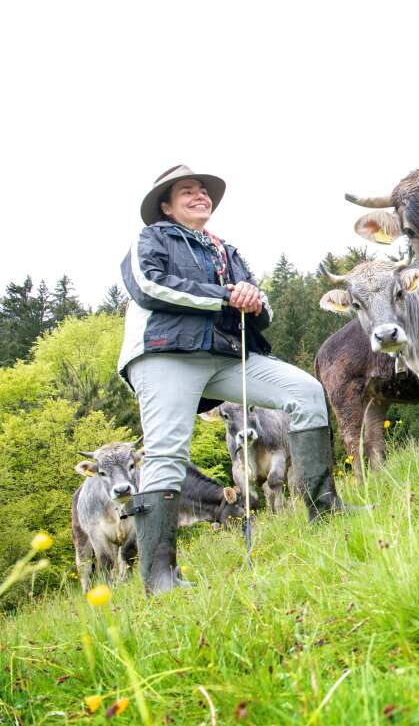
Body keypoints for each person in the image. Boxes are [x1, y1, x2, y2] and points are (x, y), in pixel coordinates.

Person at [117, 165, 341, 595]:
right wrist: (224, 295)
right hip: (165, 352)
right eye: (187, 191)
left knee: (306, 392)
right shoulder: (151, 239)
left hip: (226, 354)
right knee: (166, 454)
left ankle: (326, 511)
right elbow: (149, 285)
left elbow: (261, 308)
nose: (200, 195)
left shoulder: (227, 250)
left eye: (203, 190)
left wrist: (254, 302)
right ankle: (160, 578)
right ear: (166, 206)